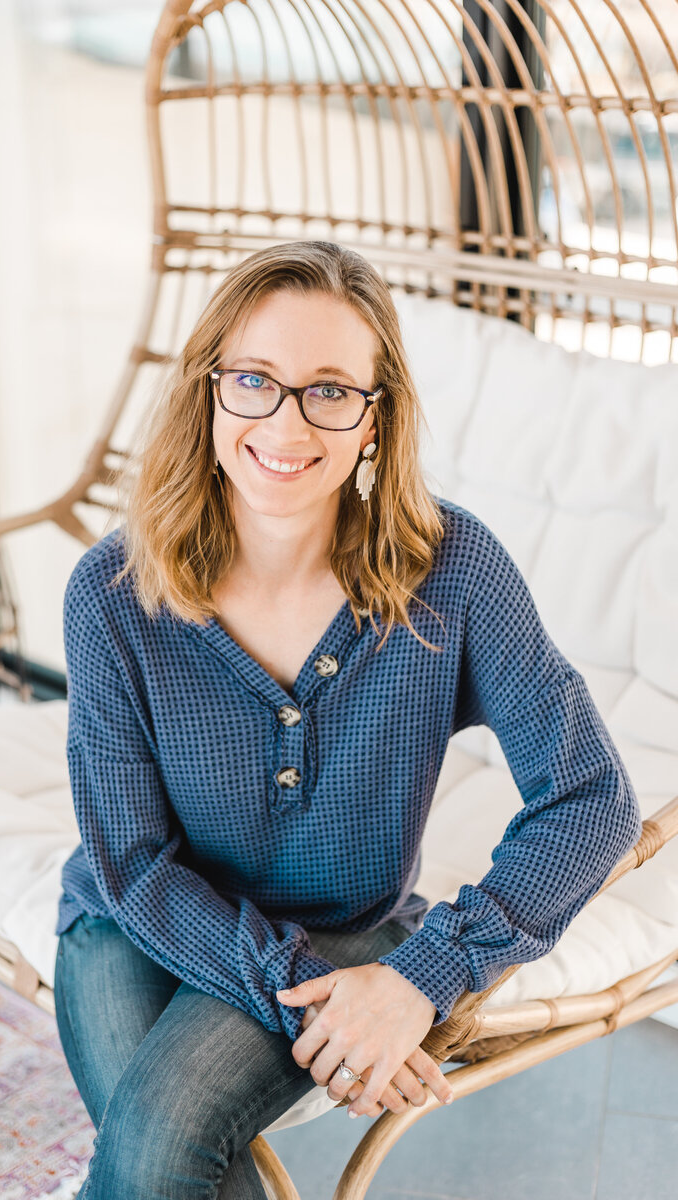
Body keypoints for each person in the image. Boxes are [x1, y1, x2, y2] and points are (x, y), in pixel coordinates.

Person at [53, 239, 642, 1199]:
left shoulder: (452, 573)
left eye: (330, 390)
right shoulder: (114, 594)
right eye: (254, 380)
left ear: (375, 419)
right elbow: (132, 860)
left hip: (344, 926)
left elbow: (590, 799)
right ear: (208, 391)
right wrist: (322, 1013)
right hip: (132, 921)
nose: (287, 422)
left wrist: (421, 978)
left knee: (155, 1151)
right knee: (163, 1155)